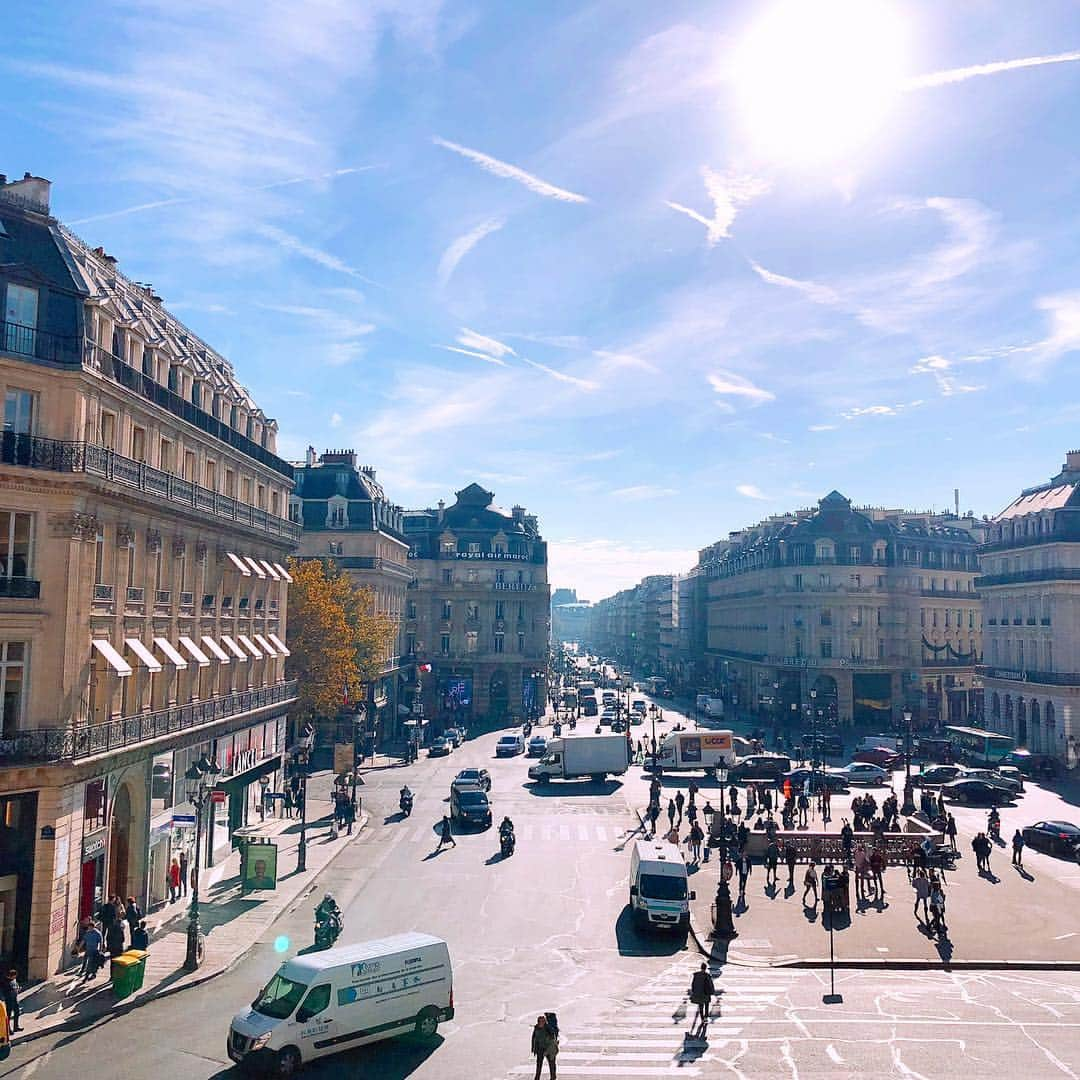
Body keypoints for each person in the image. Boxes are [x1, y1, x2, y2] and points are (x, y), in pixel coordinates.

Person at [689, 963, 716, 1034]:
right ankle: (706, 1018)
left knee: (701, 1006)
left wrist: (693, 992)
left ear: (701, 968)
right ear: (705, 968)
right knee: (706, 1006)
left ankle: (702, 1018)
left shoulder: (696, 975)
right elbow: (711, 984)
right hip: (706, 993)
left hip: (699, 994)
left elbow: (693, 984)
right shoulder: (707, 975)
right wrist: (712, 992)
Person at [531, 1014, 558, 1080]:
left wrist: (549, 1050)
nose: (541, 1023)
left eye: (543, 1021)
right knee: (539, 1064)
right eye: (540, 1022)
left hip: (549, 1049)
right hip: (540, 1049)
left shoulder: (548, 1028)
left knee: (551, 1064)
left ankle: (553, 1077)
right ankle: (537, 1078)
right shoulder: (536, 1028)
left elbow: (552, 1039)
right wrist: (534, 1048)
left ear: (545, 1022)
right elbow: (534, 1038)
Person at [1, 969, 20, 1034]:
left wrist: (18, 989)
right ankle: (8, 1029)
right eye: (14, 976)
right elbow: (4, 992)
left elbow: (15, 986)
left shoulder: (13, 980)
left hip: (14, 999)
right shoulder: (5, 982)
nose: (15, 978)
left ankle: (16, 1027)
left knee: (17, 1012)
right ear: (11, 976)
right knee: (8, 1015)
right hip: (9, 1000)